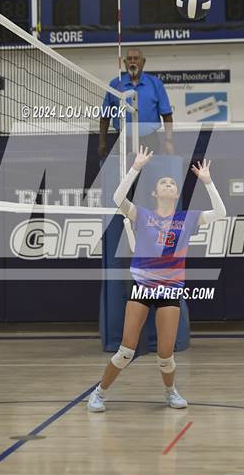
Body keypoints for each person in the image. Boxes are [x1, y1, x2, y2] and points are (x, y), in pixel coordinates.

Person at [87, 146, 226, 412]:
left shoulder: (187, 219)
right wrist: (135, 168)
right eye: (163, 182)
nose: (168, 184)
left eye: (172, 183)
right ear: (155, 193)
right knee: (126, 351)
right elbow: (118, 198)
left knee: (165, 355)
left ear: (176, 193)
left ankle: (170, 392)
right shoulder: (143, 215)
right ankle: (99, 393)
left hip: (171, 290)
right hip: (142, 287)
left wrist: (208, 182)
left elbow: (220, 212)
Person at [98, 48, 174, 158]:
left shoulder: (155, 83)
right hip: (123, 141)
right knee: (124, 170)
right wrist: (102, 143)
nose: (132, 61)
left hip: (150, 141)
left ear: (143, 62)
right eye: (129, 59)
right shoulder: (115, 84)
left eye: (136, 58)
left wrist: (169, 140)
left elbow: (167, 116)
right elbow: (105, 117)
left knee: (150, 169)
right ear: (125, 62)